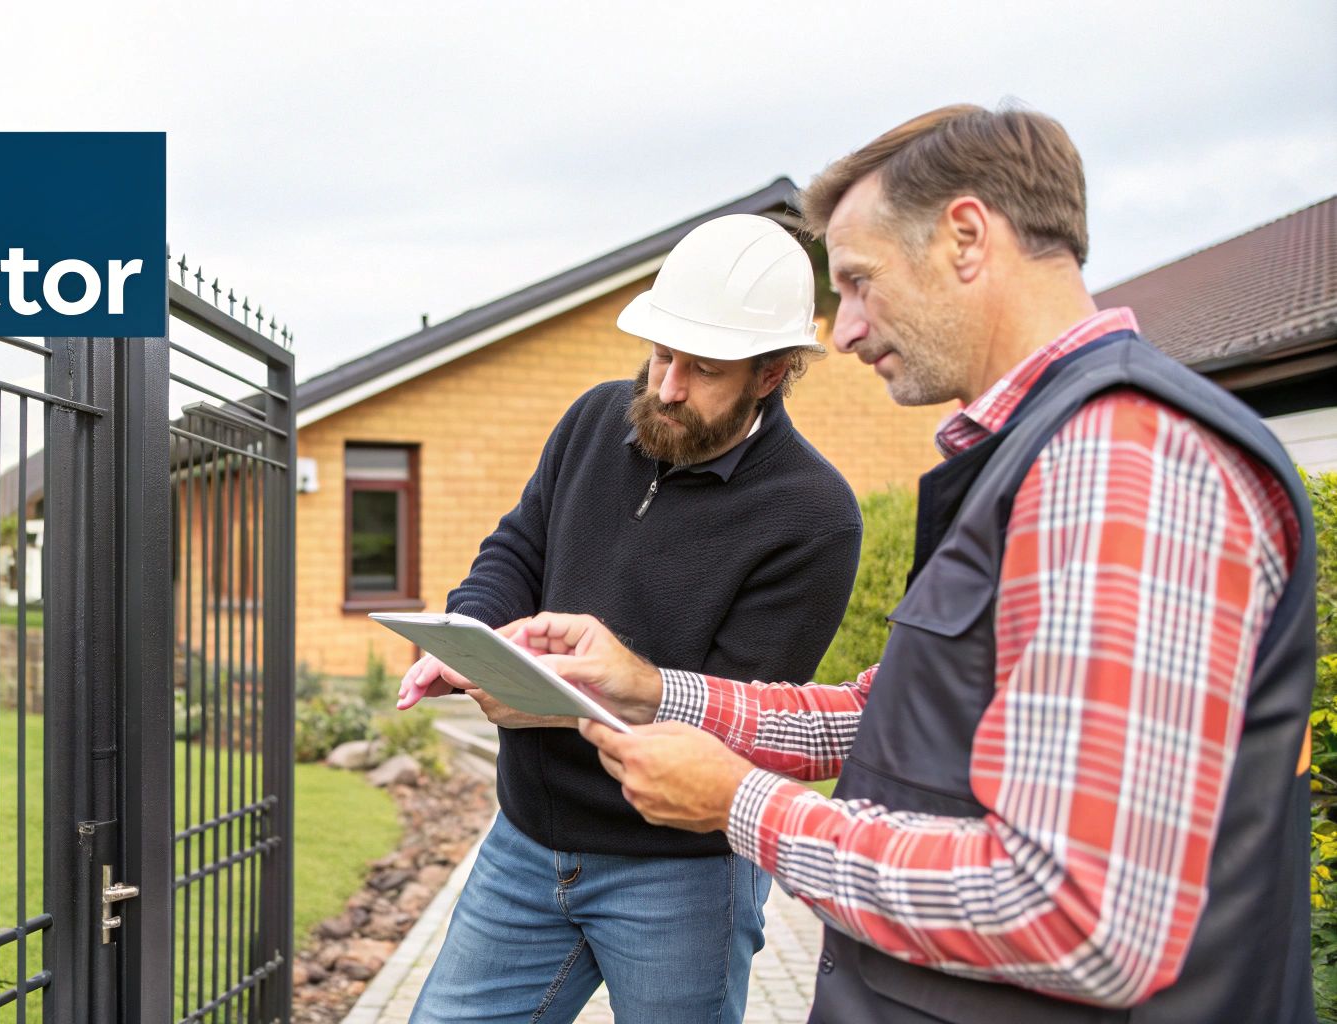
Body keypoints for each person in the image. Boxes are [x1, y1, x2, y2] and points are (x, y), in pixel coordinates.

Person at [533, 104, 1315, 1023]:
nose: (847, 331)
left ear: (967, 238)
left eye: (860, 282)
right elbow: (884, 720)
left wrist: (743, 805)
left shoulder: (1120, 460)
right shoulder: (1033, 453)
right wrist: (653, 691)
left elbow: (1076, 918)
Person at [393, 214, 863, 1023]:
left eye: (702, 368)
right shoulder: (595, 419)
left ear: (772, 373)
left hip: (678, 869)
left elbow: (733, 713)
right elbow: (516, 548)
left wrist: (539, 704)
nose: (669, 387)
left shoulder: (814, 516)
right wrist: (472, 639)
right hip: (525, 841)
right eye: (661, 354)